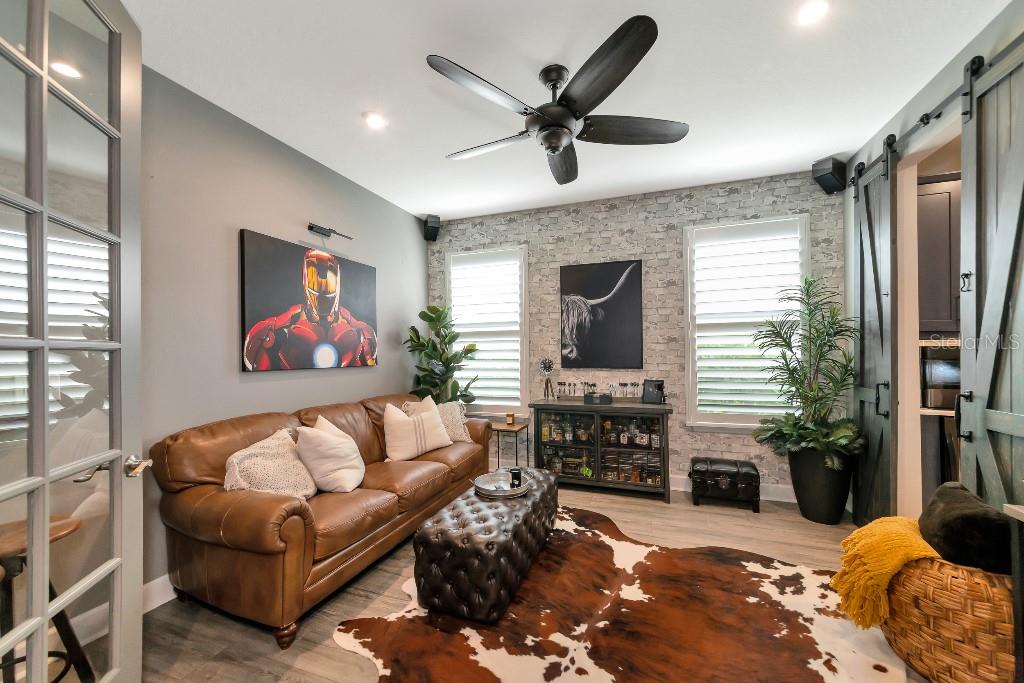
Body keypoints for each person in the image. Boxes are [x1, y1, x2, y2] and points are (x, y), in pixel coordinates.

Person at [244, 249, 377, 370]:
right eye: (315, 273)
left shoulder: (350, 321)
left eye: (329, 273)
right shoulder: (295, 315)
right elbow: (264, 332)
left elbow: (369, 360)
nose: (322, 283)